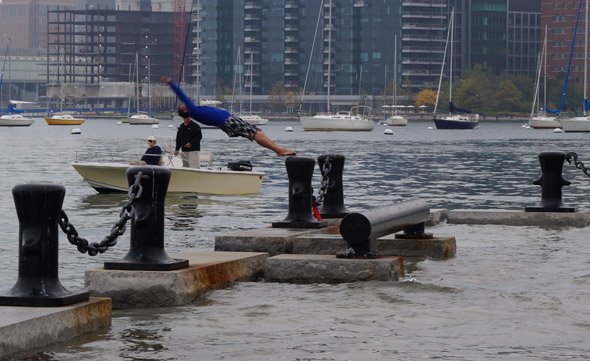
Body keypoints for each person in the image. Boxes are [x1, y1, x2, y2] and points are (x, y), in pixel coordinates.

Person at [161, 76, 296, 157]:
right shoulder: (193, 111)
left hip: (229, 121)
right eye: (183, 106)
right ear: (185, 111)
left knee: (258, 132)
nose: (184, 103)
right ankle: (279, 150)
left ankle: (278, 149)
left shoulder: (196, 109)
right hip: (228, 122)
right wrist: (171, 83)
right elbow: (181, 94)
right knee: (255, 134)